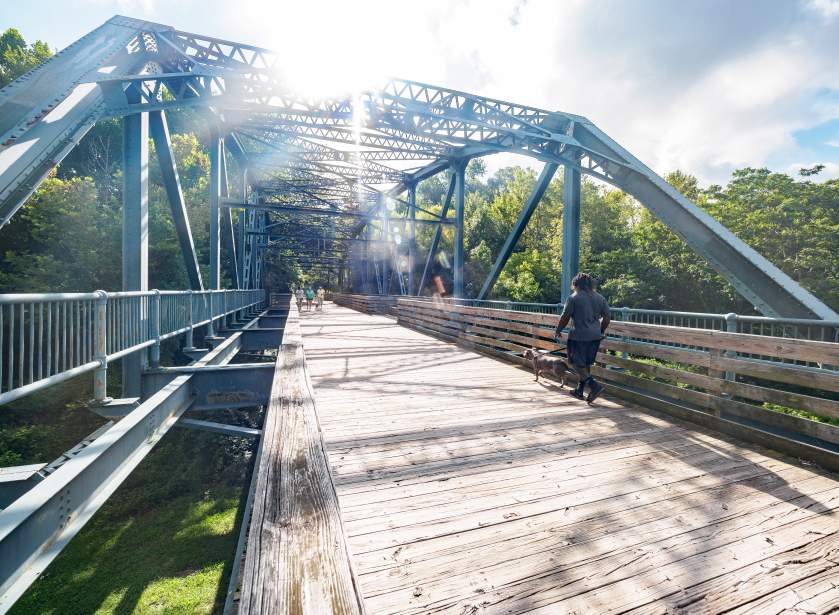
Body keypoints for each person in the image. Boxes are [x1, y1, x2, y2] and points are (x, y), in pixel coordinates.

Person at [554, 272, 610, 403]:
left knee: (575, 363)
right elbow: (607, 317)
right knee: (586, 364)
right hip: (595, 337)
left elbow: (565, 317)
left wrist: (558, 330)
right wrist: (600, 330)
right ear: (591, 285)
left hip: (578, 337)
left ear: (575, 284)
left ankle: (594, 386)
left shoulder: (573, 298)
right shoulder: (600, 298)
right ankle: (580, 391)